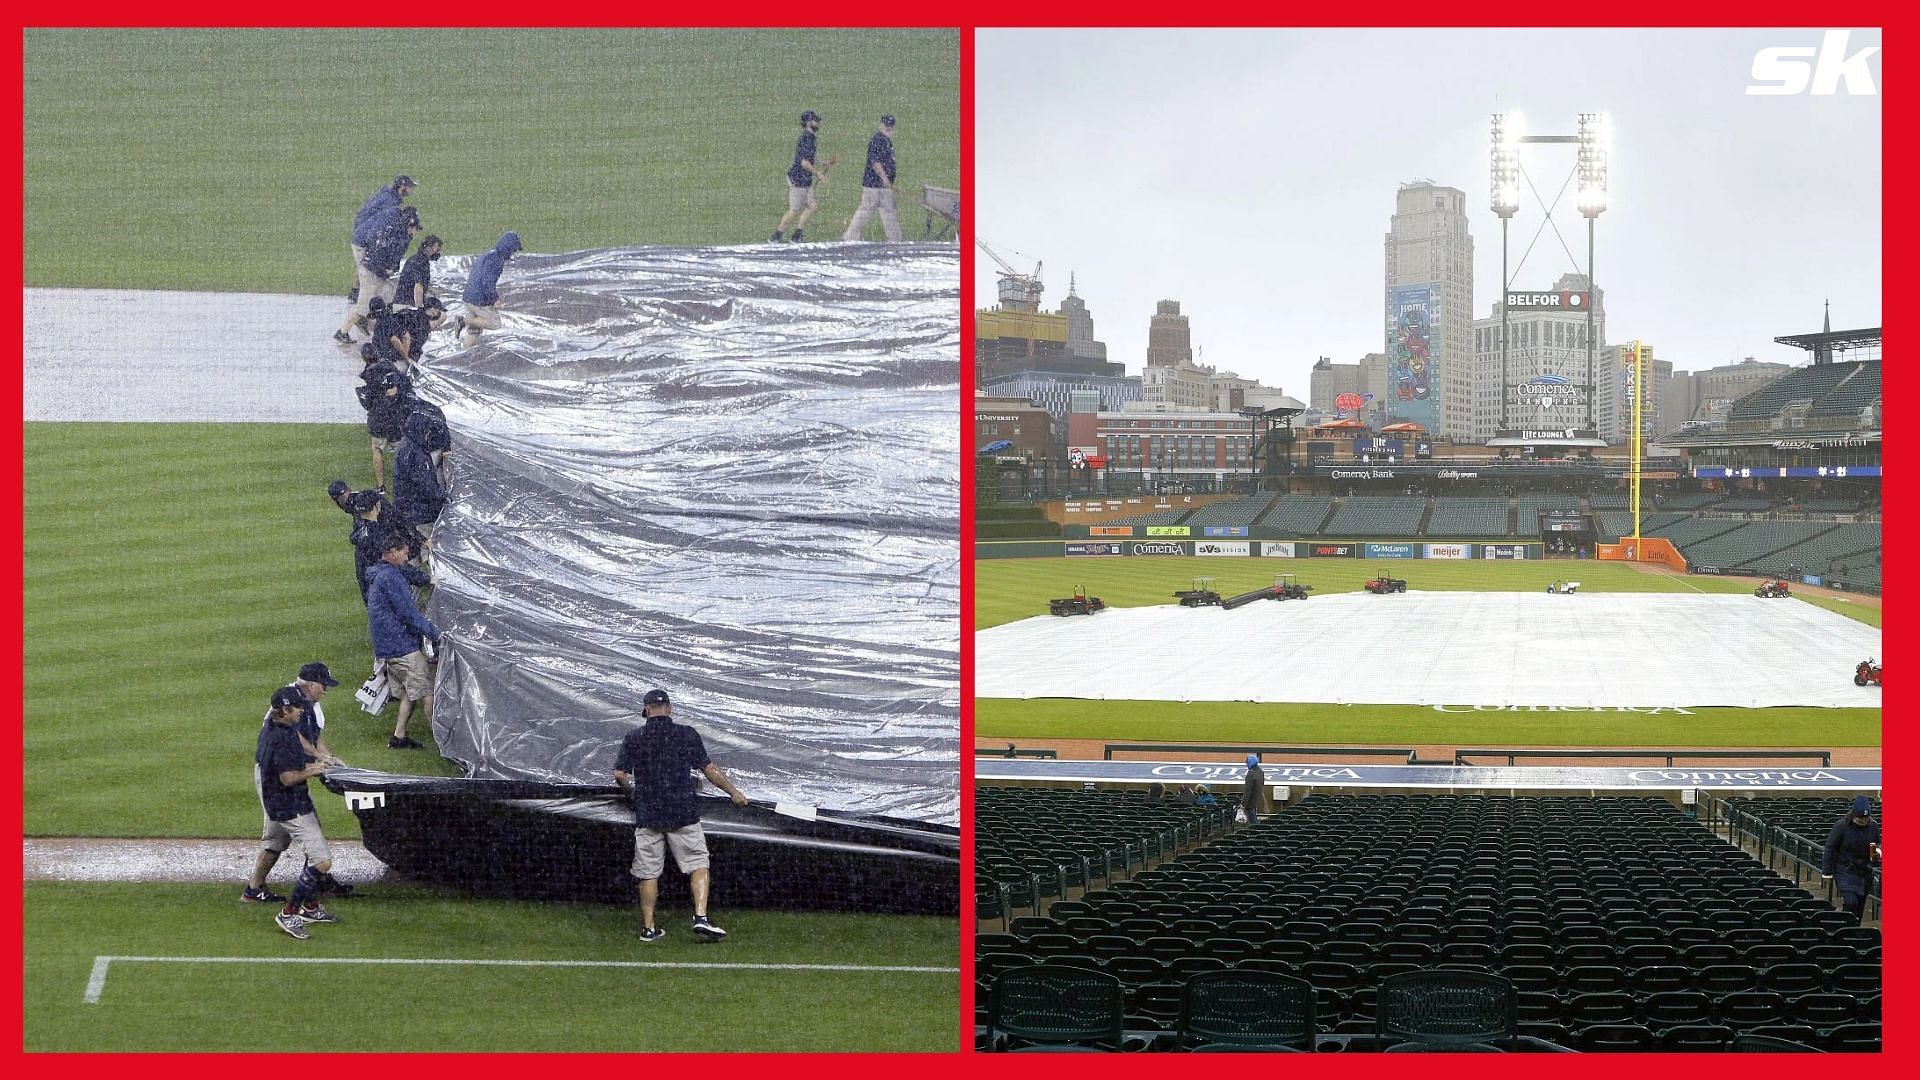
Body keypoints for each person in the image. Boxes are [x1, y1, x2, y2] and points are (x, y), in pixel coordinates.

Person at [613, 689, 749, 942]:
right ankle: (700, 917)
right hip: (682, 811)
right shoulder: (686, 734)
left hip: (649, 813)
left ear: (646, 710)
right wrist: (734, 792)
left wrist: (631, 794)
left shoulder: (634, 737)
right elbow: (709, 769)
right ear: (670, 709)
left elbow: (620, 774)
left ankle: (649, 928)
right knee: (698, 863)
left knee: (649, 872)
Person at [245, 665, 352, 903]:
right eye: (323, 685)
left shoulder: (303, 704)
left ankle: (256, 888)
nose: (325, 690)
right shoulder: (288, 706)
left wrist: (325, 757)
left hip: (291, 772)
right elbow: (296, 741)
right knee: (291, 830)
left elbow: (314, 737)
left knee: (284, 834)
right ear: (310, 684)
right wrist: (316, 764)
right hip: (277, 775)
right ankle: (309, 886)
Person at [256, 686, 342, 938]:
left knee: (287, 847)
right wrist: (314, 769)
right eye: (297, 707)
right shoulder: (278, 738)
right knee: (321, 861)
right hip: (289, 806)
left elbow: (294, 760)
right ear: (284, 710)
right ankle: (289, 913)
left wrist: (318, 760)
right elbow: (287, 777)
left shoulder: (280, 728)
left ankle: (310, 906)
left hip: (285, 802)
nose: (302, 710)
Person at [366, 534, 441, 749]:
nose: (407, 557)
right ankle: (445, 742)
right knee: (427, 692)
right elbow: (409, 613)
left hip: (388, 646)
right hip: (401, 647)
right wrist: (434, 634)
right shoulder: (390, 578)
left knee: (410, 692)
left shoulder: (382, 574)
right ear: (391, 552)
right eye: (404, 553)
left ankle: (399, 736)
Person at [349, 489, 430, 602]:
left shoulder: (361, 532)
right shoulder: (377, 534)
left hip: (373, 594)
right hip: (386, 593)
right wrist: (426, 579)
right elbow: (397, 564)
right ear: (377, 506)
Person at [349, 175, 415, 301]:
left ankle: (355, 291)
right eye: (410, 187)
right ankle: (363, 299)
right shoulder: (391, 203)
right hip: (365, 235)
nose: (411, 190)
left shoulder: (388, 194)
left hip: (362, 231)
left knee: (363, 265)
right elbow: (382, 226)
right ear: (402, 187)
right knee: (367, 269)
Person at [772, 110, 830, 243]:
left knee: (812, 206)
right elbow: (804, 162)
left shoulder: (810, 137)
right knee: (794, 210)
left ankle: (798, 234)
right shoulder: (806, 138)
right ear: (809, 122)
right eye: (815, 121)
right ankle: (777, 235)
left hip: (805, 178)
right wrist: (819, 174)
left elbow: (809, 157)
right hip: (798, 178)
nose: (818, 123)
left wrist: (822, 162)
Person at [1823, 795, 1882, 924]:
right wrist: (1827, 872)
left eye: (1865, 818)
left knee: (1860, 906)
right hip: (1845, 870)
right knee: (1851, 902)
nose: (1863, 821)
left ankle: (1854, 930)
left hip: (1864, 872)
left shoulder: (1873, 826)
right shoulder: (1841, 826)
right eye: (1860, 818)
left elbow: (1877, 844)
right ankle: (1845, 927)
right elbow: (1830, 847)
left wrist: (1877, 855)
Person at [842, 114, 901, 242]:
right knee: (867, 210)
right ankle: (850, 236)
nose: (888, 128)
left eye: (890, 126)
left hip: (881, 186)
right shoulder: (878, 140)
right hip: (874, 185)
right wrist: (885, 178)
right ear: (881, 125)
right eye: (886, 125)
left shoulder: (885, 140)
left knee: (888, 211)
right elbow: (875, 162)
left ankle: (894, 239)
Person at [459, 231, 523, 348]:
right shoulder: (496, 260)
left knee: (475, 330)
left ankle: (463, 351)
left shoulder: (489, 254)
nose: (513, 254)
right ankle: (464, 321)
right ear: (508, 248)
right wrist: (495, 300)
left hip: (469, 296)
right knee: (495, 323)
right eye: (514, 250)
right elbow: (487, 282)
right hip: (478, 299)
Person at [358, 359, 413, 492]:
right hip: (395, 425)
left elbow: (367, 403)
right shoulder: (401, 383)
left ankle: (381, 486)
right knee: (401, 454)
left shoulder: (374, 382)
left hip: (378, 423)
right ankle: (404, 484)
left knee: (377, 450)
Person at [394, 409, 448, 542]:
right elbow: (425, 484)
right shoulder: (417, 454)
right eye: (427, 430)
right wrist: (443, 497)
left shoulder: (407, 446)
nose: (429, 434)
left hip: (409, 509)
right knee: (428, 547)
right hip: (420, 513)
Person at [394, 234, 443, 309]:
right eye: (436, 249)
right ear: (428, 248)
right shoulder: (421, 263)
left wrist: (430, 289)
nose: (437, 252)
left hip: (400, 301)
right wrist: (419, 309)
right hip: (407, 305)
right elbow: (418, 286)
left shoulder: (414, 259)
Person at [1241, 755, 1266, 826]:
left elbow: (1247, 791)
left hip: (1249, 804)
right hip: (1256, 800)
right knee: (1253, 820)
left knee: (1252, 823)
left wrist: (1243, 804)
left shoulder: (1250, 774)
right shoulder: (1260, 772)